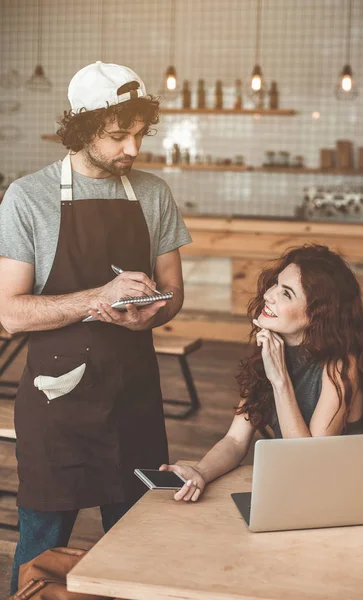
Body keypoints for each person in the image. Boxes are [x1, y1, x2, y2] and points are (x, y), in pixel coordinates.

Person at [0, 61, 192, 594]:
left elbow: (174, 292)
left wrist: (153, 312)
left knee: (138, 543)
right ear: (82, 129)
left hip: (133, 399)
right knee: (41, 542)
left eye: (138, 134)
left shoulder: (153, 194)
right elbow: (10, 313)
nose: (133, 148)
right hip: (56, 407)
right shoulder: (28, 197)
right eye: (117, 135)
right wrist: (96, 299)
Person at [160, 244, 363, 502]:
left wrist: (280, 380)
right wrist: (199, 472)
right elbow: (235, 440)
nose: (269, 295)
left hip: (347, 495)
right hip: (299, 491)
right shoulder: (273, 348)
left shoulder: (340, 366)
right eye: (276, 284)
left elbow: (310, 464)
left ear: (317, 316)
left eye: (286, 294)